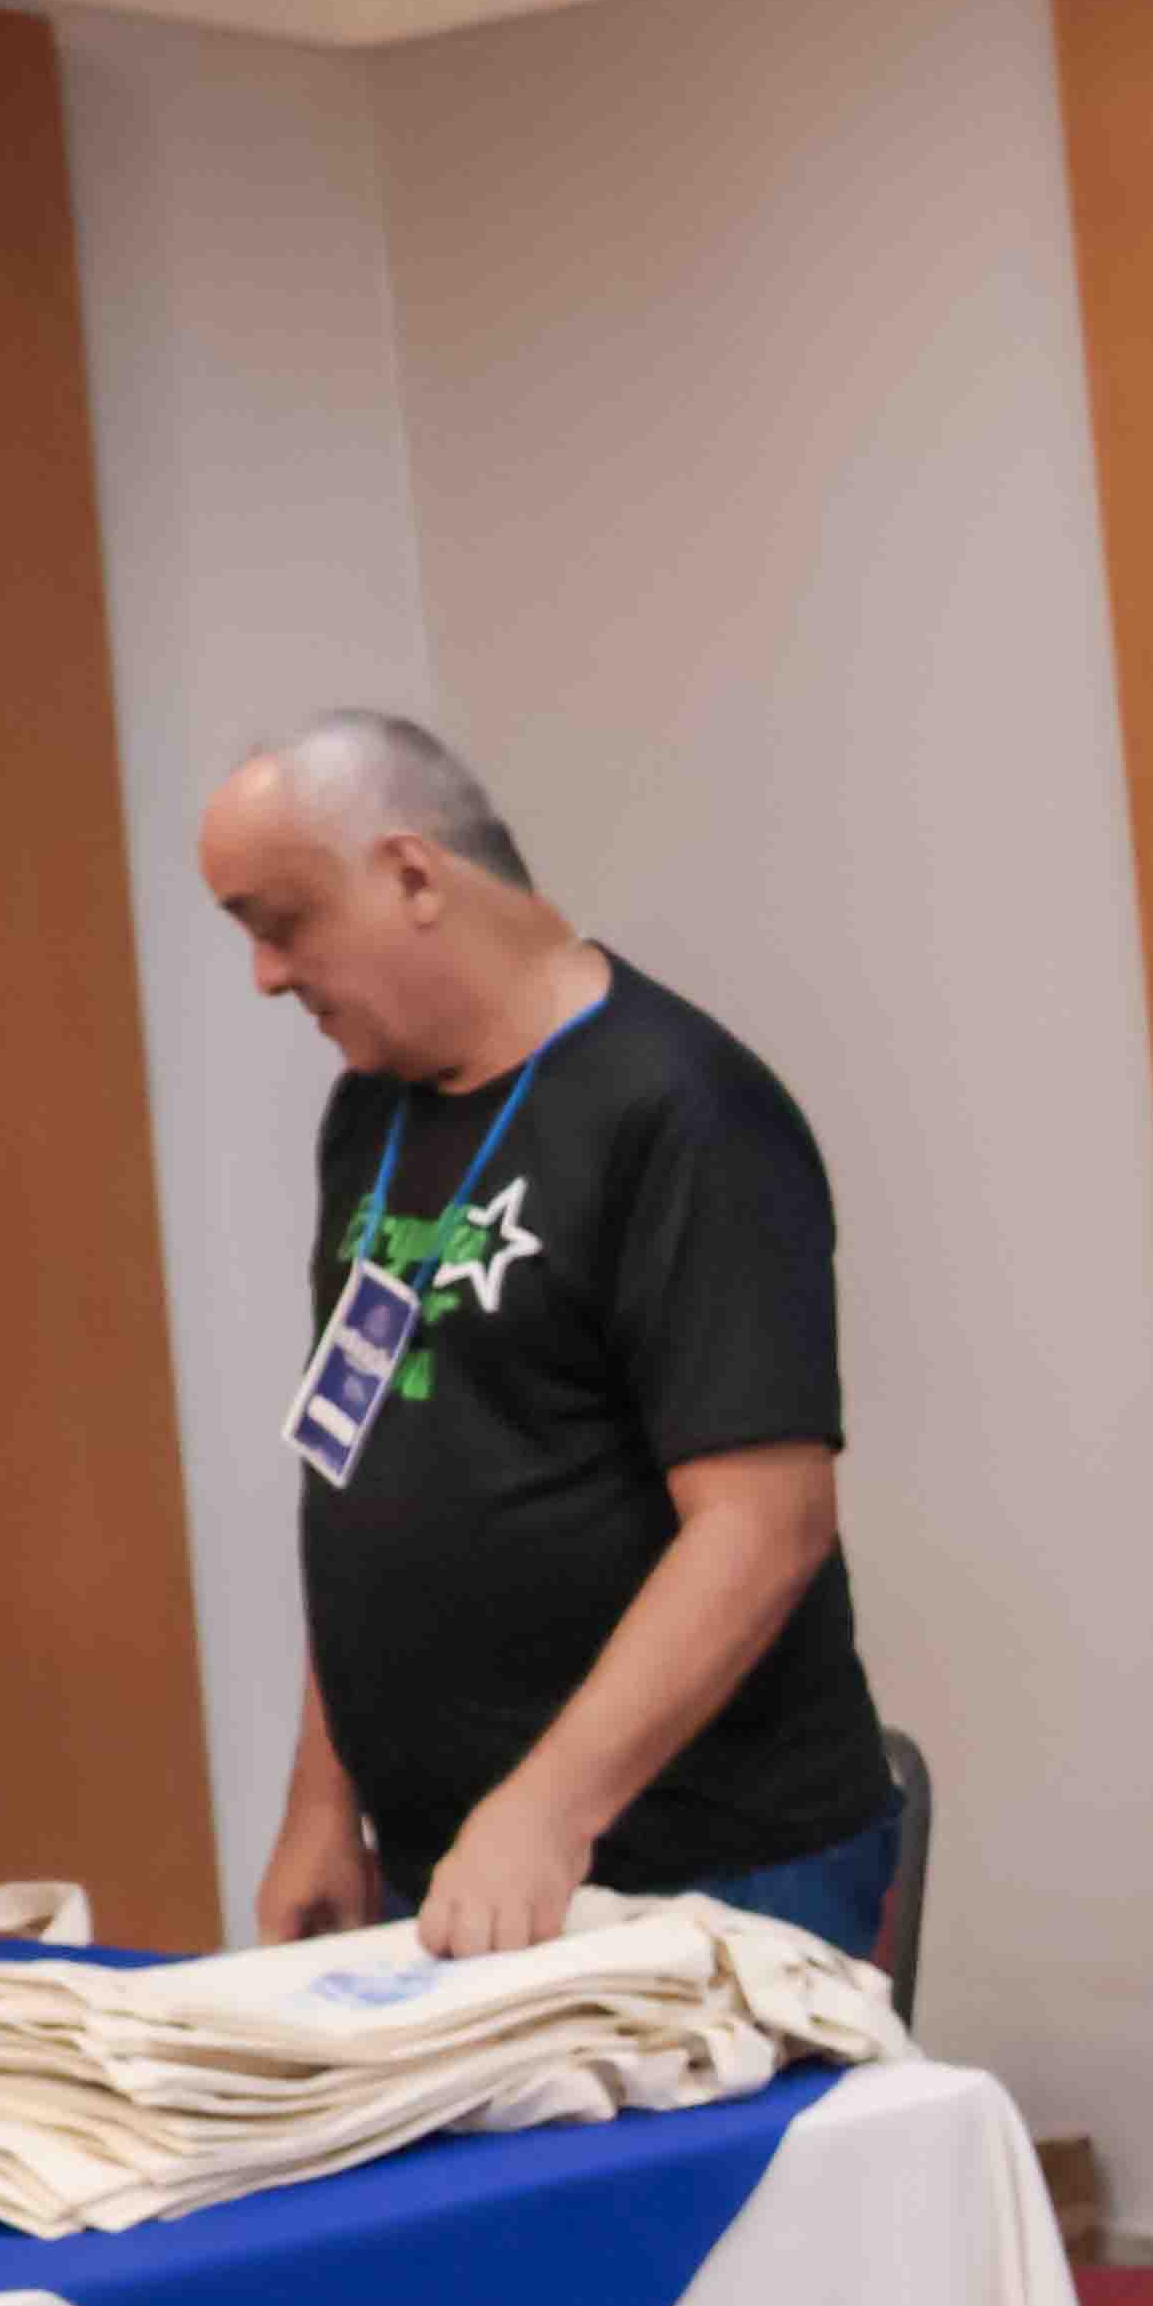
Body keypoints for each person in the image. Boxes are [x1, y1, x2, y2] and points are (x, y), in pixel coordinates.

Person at [199, 711, 896, 1959]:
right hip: (455, 1870)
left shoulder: (683, 1111)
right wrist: (324, 1802)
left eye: (281, 922)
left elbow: (763, 1525)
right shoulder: (372, 1117)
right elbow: (357, 1467)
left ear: (412, 876)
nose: (264, 974)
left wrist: (549, 1810)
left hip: (701, 1875)